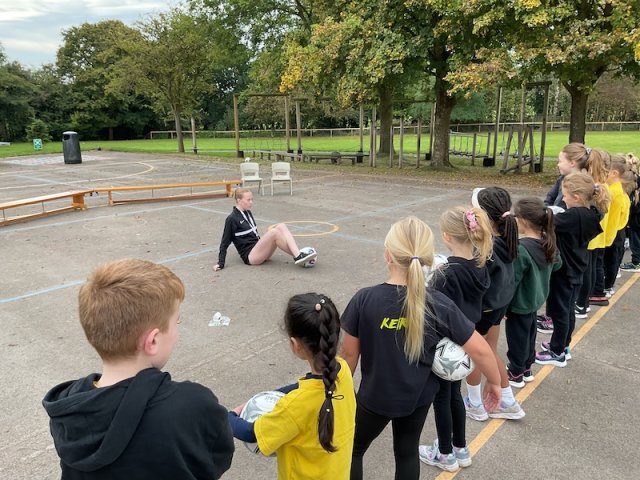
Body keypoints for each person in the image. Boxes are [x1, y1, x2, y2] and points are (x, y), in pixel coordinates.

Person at [42, 259, 235, 479]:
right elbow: (217, 457)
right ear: (152, 341)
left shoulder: (67, 406)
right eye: (176, 323)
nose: (177, 332)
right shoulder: (193, 405)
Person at [340, 216, 501, 479]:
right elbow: (481, 350)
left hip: (375, 397)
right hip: (417, 398)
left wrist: (338, 395)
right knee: (406, 452)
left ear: (388, 255)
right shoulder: (439, 303)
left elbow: (348, 356)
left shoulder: (364, 299)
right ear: (428, 258)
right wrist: (494, 382)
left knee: (353, 450)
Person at [228, 293, 356, 480]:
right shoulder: (342, 370)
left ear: (295, 345)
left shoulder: (294, 407)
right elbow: (301, 387)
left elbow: (251, 433)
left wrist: (225, 416)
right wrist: (271, 393)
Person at [420, 205, 503, 472]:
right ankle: (460, 447)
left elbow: (433, 309)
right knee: (455, 394)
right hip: (467, 341)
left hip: (445, 346)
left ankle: (445, 453)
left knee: (442, 398)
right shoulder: (480, 265)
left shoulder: (447, 273)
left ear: (446, 236)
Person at [464, 187, 525, 422]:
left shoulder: (486, 247)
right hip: (498, 305)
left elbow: (473, 282)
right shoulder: (507, 238)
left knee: (475, 353)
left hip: (483, 308)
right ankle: (507, 400)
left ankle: (475, 403)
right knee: (489, 350)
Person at [535, 172, 608, 367]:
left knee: (560, 312)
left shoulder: (573, 216)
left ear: (576, 197)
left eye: (565, 195)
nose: (563, 199)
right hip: (577, 267)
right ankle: (563, 345)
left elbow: (546, 222)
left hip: (565, 272)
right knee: (567, 311)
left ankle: (557, 351)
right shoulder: (591, 213)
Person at [505, 198, 562, 388]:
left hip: (519, 303)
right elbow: (558, 265)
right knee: (529, 334)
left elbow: (512, 281)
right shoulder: (548, 242)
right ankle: (527, 368)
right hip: (536, 299)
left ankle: (516, 372)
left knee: (517, 339)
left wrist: (503, 306)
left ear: (523, 220)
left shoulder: (521, 249)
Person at [212, 188, 316, 270]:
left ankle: (299, 255)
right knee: (274, 232)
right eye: (248, 200)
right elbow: (224, 243)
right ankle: (299, 256)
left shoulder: (247, 212)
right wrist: (220, 263)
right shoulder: (231, 219)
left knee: (281, 226)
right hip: (251, 257)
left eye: (252, 199)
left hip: (260, 251)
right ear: (239, 201)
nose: (251, 202)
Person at [601, 156, 632, 296]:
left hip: (613, 233)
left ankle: (607, 287)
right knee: (611, 261)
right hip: (615, 232)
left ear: (614, 173)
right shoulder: (615, 189)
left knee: (611, 262)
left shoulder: (615, 193)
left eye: (605, 171)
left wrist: (606, 240)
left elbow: (613, 220)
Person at [621, 153, 640, 272]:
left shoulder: (632, 182)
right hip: (636, 217)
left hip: (636, 219)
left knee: (636, 241)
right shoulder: (637, 178)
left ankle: (636, 263)